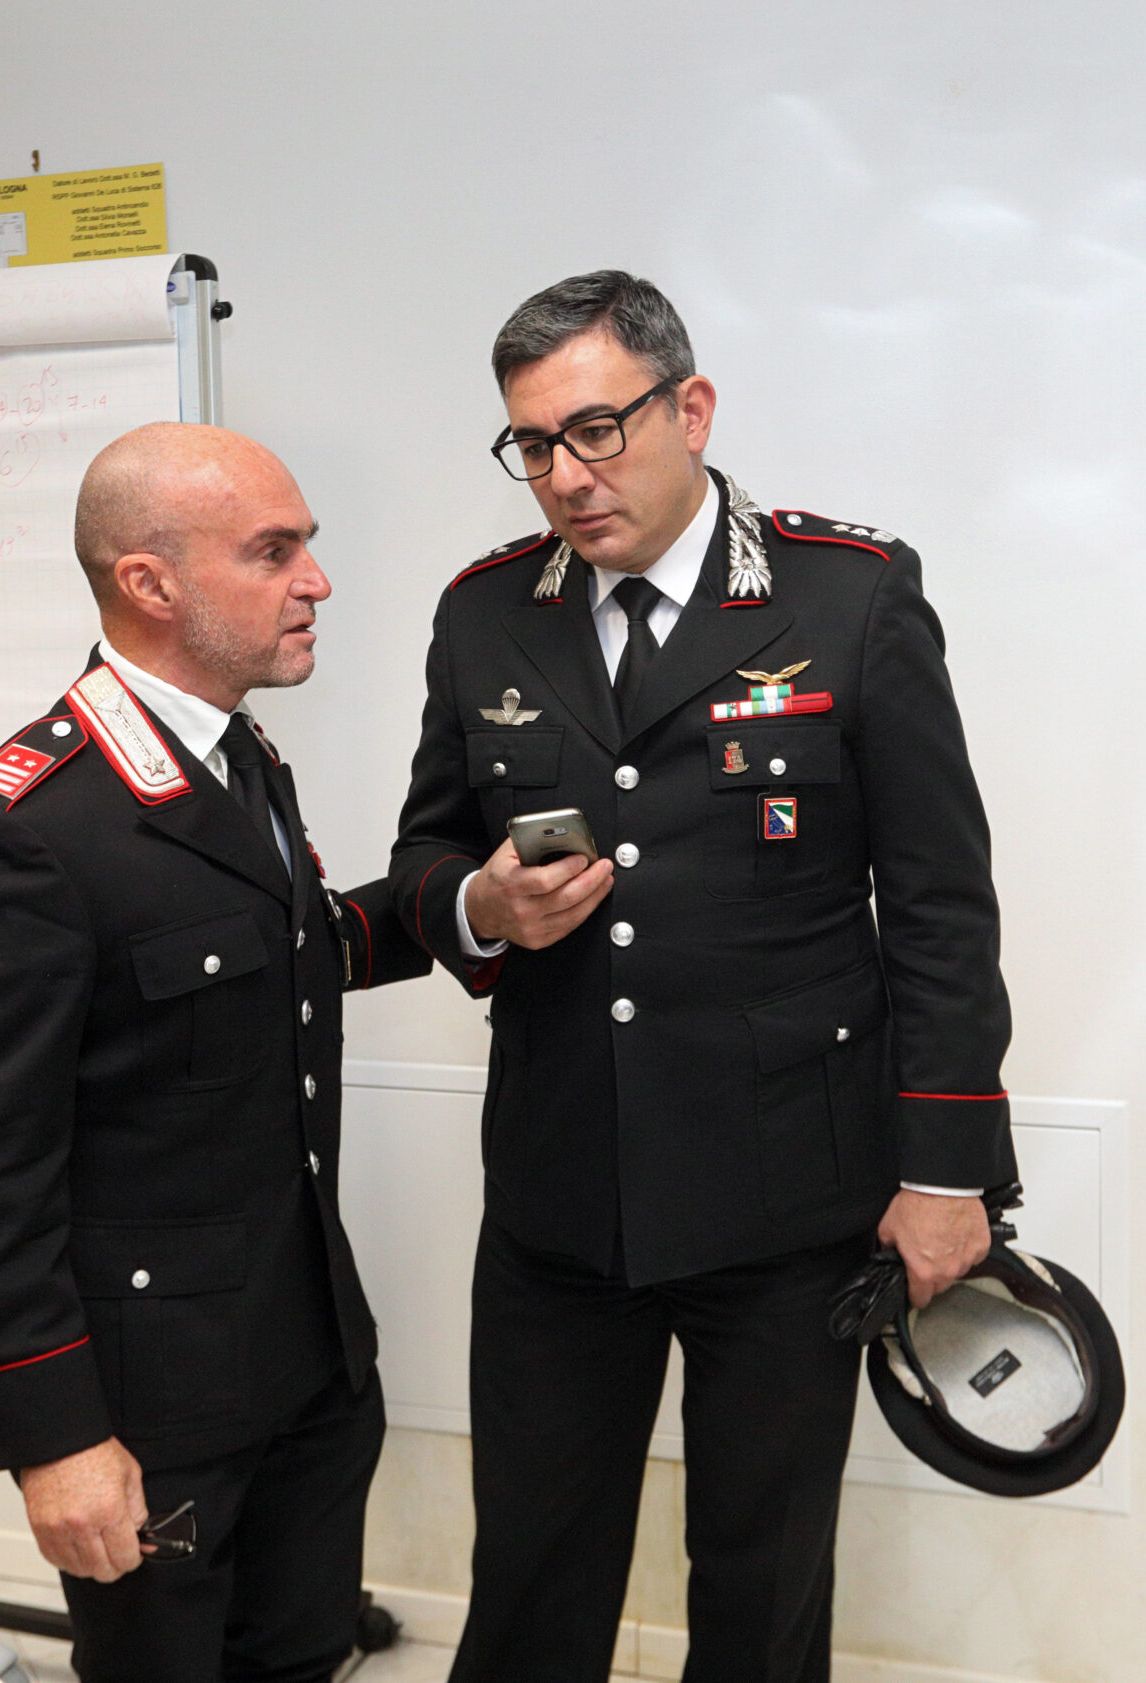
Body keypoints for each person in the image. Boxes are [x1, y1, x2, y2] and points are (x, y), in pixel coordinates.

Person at [388, 271, 1016, 1683]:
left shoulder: (846, 595)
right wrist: (483, 902)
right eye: (534, 444)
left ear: (691, 407)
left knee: (761, 1581)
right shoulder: (488, 613)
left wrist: (949, 1167)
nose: (566, 474)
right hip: (561, 1195)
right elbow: (427, 852)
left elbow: (938, 905)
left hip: (789, 1196)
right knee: (532, 1581)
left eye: (598, 428)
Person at [0, 422, 431, 1683]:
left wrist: (463, 913)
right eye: (274, 551)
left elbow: (271, 966)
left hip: (302, 1364)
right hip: (152, 1417)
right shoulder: (31, 831)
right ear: (150, 584)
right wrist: (53, 1438)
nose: (316, 581)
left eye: (307, 546)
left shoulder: (236, 757)